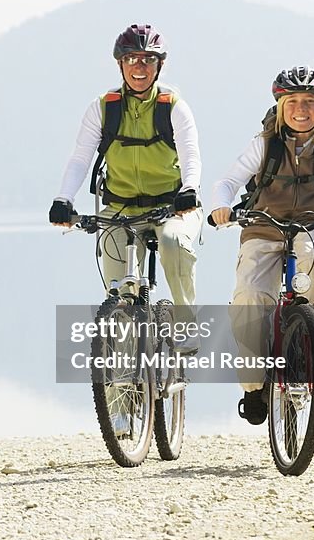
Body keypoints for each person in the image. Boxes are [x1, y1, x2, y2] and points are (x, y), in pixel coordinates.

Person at [209, 66, 314, 424]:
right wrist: (221, 206)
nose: (301, 108)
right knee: (249, 294)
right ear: (280, 106)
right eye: (292, 101)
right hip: (263, 226)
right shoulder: (264, 144)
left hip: (311, 225)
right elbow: (229, 180)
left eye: (310, 101)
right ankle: (253, 384)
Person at [50, 24, 203, 320]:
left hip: (173, 208)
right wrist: (63, 199)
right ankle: (119, 352)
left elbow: (190, 155)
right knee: (117, 289)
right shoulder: (104, 108)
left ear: (160, 66)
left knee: (173, 243)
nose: (140, 67)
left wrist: (190, 189)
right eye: (132, 59)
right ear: (120, 64)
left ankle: (185, 322)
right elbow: (80, 158)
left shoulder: (173, 107)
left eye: (148, 59)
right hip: (120, 209)